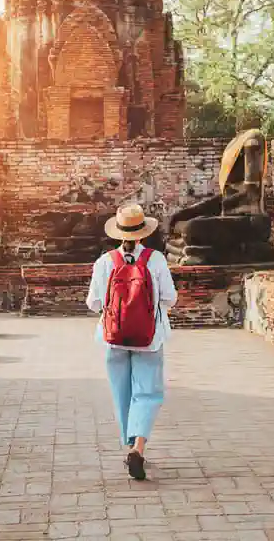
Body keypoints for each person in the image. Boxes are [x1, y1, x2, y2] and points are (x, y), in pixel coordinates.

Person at [85, 203, 177, 481]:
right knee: (147, 393)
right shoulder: (156, 259)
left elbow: (93, 303)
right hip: (149, 337)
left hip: (113, 338)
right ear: (142, 234)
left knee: (121, 392)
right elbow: (170, 298)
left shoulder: (105, 262)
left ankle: (127, 444)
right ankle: (138, 448)